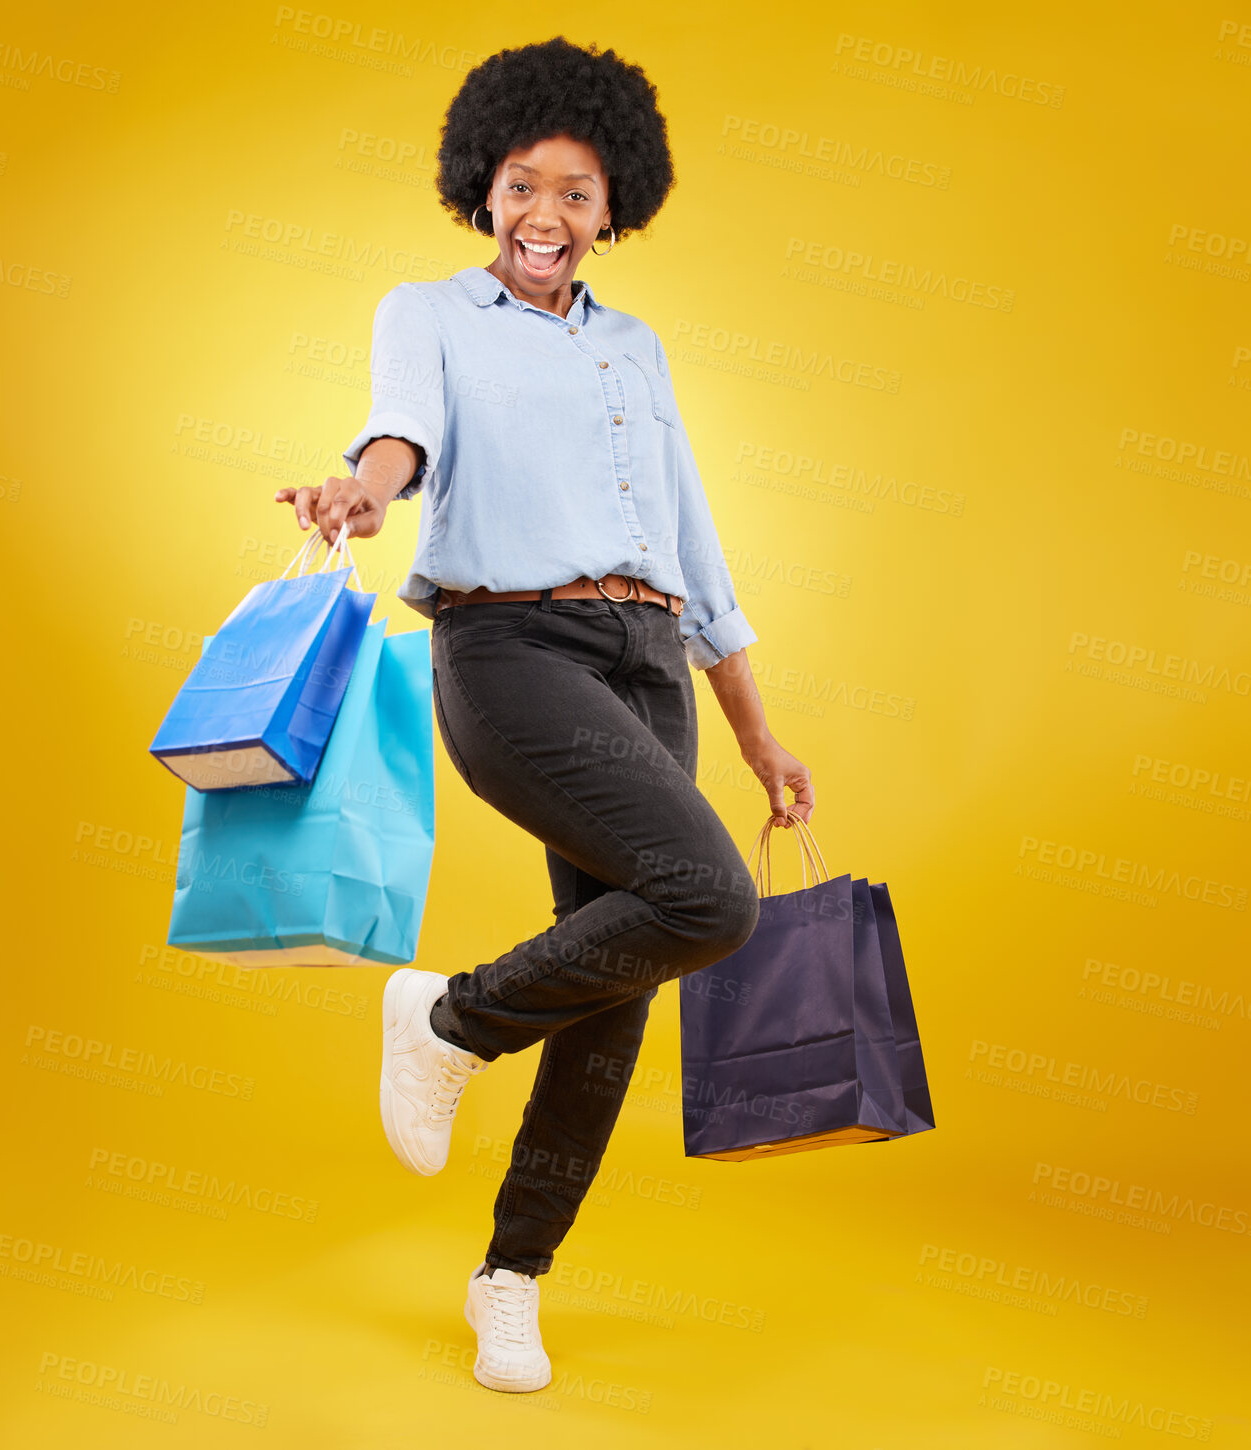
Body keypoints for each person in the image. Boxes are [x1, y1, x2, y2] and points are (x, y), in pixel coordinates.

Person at [275, 35, 815, 1395]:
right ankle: (447, 1017)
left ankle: (510, 1279)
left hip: (645, 650)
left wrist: (754, 731)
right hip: (506, 644)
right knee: (704, 898)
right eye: (522, 185)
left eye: (576, 192)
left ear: (611, 204)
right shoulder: (432, 310)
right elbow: (400, 427)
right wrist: (368, 489)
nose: (545, 217)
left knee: (616, 982)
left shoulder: (636, 348)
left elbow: (696, 549)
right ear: (483, 186)